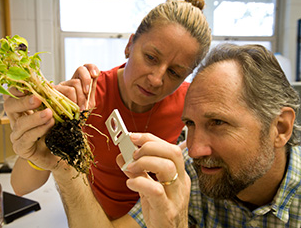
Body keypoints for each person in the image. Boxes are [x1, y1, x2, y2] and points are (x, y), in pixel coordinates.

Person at [6, 0, 212, 221]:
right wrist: (43, 134)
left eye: (174, 73)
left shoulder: (189, 104)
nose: (156, 79)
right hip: (90, 217)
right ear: (129, 45)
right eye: (151, 57)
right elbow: (20, 186)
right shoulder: (87, 97)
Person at [126, 43, 301, 227]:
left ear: (280, 128)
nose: (194, 150)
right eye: (190, 124)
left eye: (218, 123)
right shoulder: (189, 172)